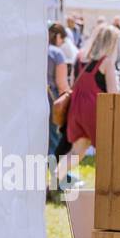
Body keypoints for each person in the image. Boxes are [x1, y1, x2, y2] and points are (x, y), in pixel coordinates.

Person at [58, 23, 120, 187]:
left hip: (76, 109)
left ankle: (56, 178)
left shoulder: (79, 57)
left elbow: (72, 83)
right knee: (108, 150)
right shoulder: (106, 62)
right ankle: (108, 187)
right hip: (96, 110)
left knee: (77, 151)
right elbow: (113, 93)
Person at [47, 23, 71, 161]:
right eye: (62, 39)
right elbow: (62, 84)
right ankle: (60, 177)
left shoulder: (36, 49)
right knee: (56, 139)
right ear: (57, 36)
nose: (62, 43)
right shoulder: (57, 53)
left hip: (34, 98)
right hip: (52, 99)